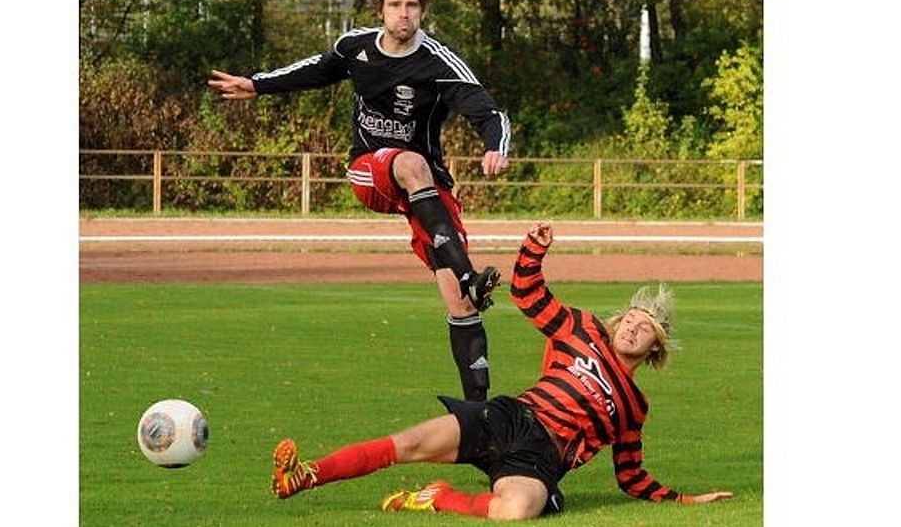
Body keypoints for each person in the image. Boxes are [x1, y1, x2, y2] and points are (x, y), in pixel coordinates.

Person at [267, 221, 734, 520]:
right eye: (630, 318)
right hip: (509, 417)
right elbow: (528, 294)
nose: (632, 328)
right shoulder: (581, 328)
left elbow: (631, 476)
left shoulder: (633, 407)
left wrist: (687, 501)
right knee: (406, 443)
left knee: (517, 511)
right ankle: (304, 475)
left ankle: (438, 498)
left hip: (538, 457)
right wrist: (533, 249)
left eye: (644, 327)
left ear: (655, 348)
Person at [208, 0, 509, 401]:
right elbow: (314, 70)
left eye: (412, 6)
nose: (404, 14)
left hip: (427, 189)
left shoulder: (438, 62)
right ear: (380, 10)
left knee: (460, 302)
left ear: (422, 10)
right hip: (371, 170)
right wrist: (257, 85)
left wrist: (495, 145)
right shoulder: (355, 47)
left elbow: (487, 111)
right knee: (410, 163)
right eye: (395, 5)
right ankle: (469, 275)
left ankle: (479, 415)